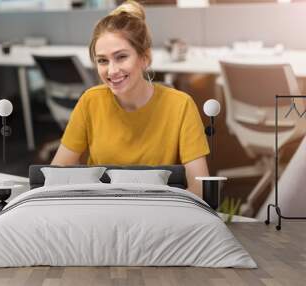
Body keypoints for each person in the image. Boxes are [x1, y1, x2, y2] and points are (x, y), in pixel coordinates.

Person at [51, 0, 209, 198]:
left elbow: (200, 188)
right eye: (102, 60)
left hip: (158, 213)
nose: (112, 70)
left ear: (145, 58)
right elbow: (56, 175)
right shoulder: (90, 102)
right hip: (102, 210)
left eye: (121, 57)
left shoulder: (180, 105)